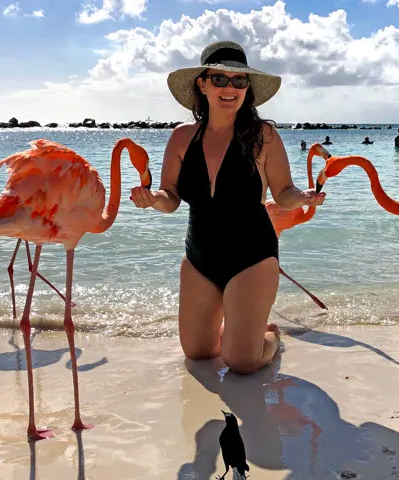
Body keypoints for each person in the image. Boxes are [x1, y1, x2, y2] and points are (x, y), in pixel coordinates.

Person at [129, 40, 325, 374]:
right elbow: (170, 197)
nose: (230, 88)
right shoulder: (181, 138)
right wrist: (152, 200)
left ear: (247, 89)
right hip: (199, 257)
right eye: (219, 79)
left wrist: (305, 197)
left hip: (252, 257)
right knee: (198, 353)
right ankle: (239, 331)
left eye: (239, 81)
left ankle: (270, 337)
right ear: (202, 84)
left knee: (241, 362)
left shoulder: (264, 136)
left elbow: (283, 193)